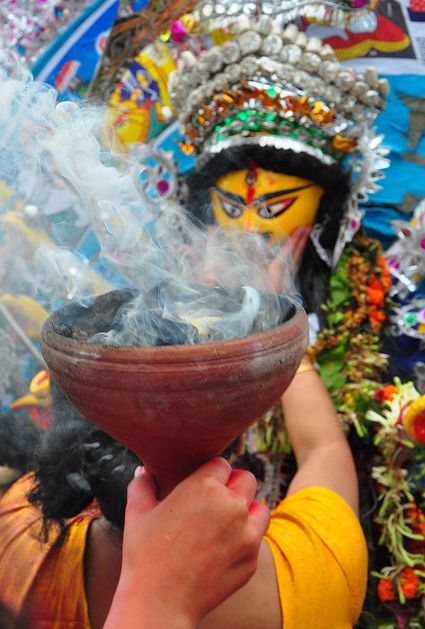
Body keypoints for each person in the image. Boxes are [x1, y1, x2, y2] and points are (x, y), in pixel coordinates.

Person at [0, 357, 367, 628]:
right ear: (233, 434)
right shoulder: (319, 564)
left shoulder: (16, 537)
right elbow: (325, 449)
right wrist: (283, 349)